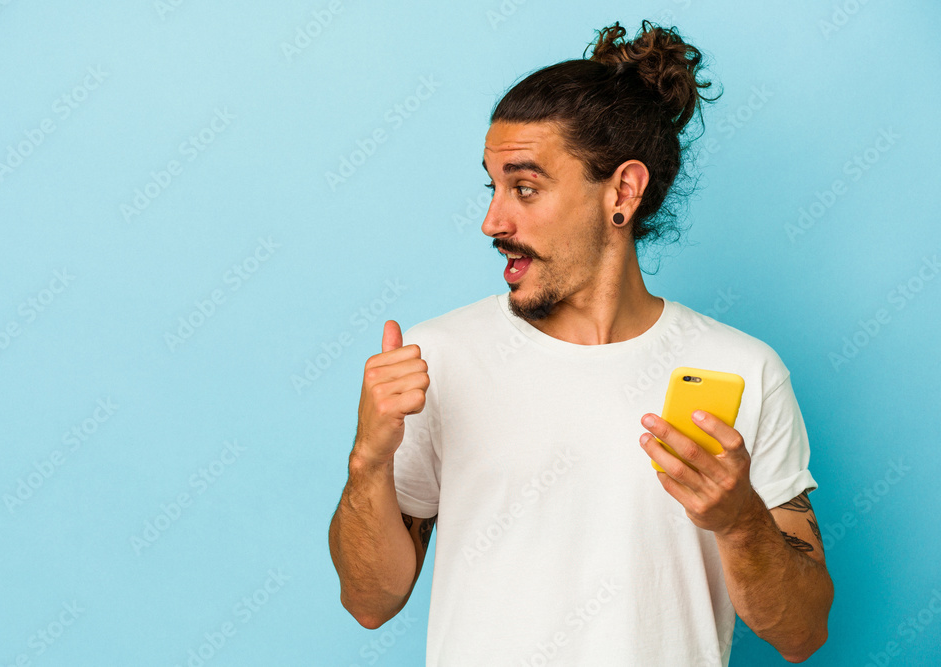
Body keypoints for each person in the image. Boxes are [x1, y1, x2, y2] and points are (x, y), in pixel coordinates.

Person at [328, 19, 833, 666]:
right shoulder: (437, 360)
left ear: (622, 191)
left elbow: (804, 632)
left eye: (526, 187)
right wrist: (369, 457)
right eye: (493, 186)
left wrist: (739, 520)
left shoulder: (743, 370)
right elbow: (370, 599)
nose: (492, 221)